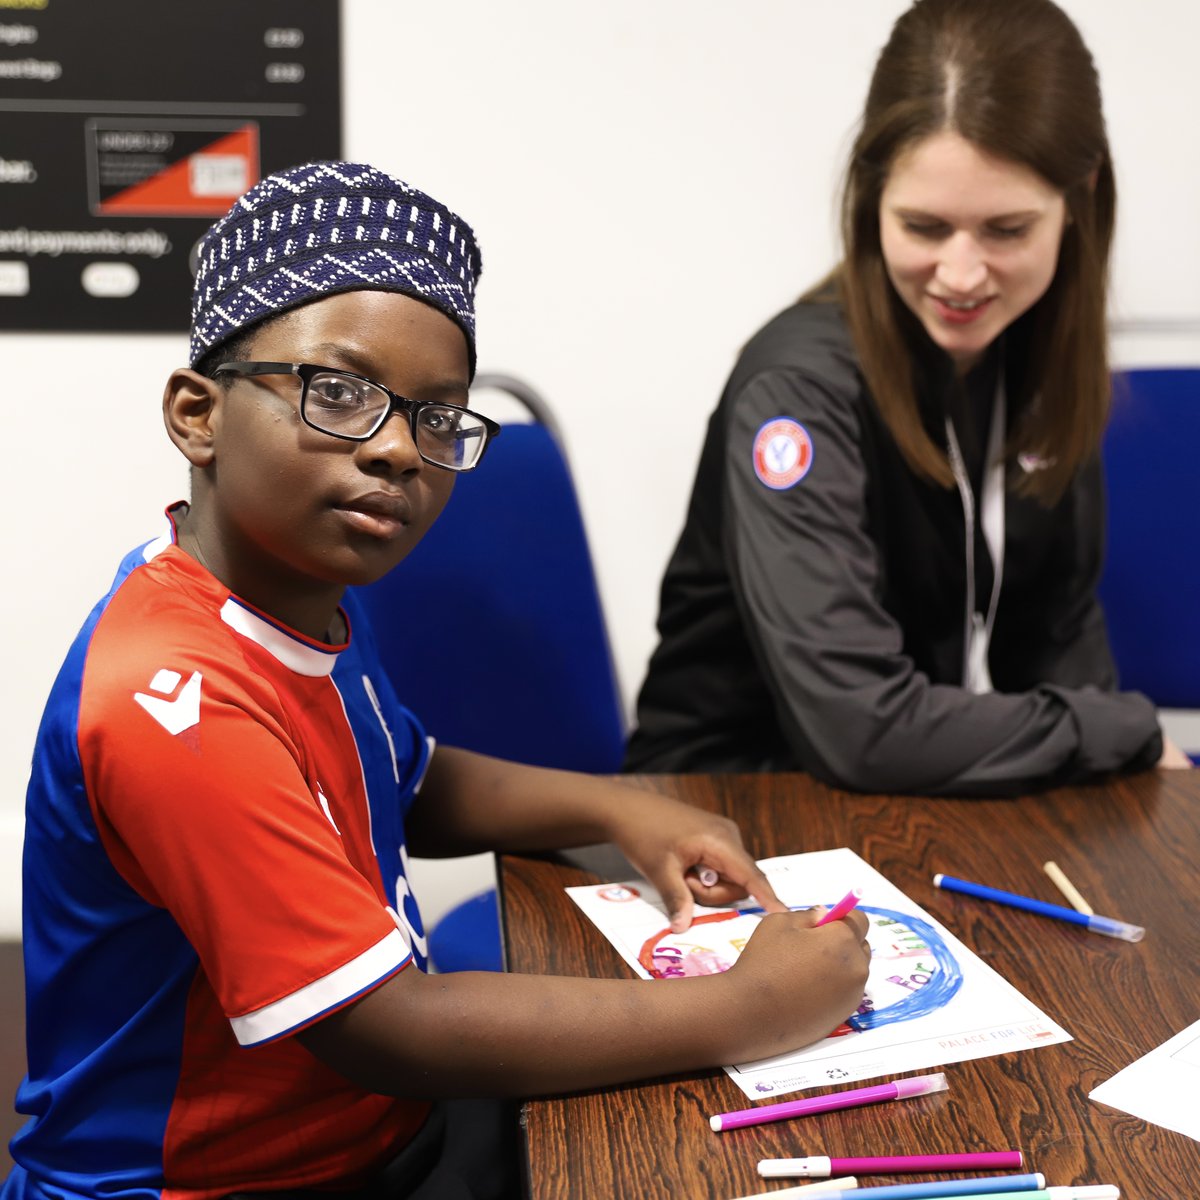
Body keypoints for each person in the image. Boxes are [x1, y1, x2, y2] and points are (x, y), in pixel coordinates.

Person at [5, 162, 870, 1200]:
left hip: (370, 1131)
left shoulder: (293, 599)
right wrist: (752, 1007)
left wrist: (632, 813)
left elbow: (406, 779)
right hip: (219, 1183)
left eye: (436, 419)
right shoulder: (171, 700)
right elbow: (385, 1029)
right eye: (338, 393)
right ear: (198, 413)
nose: (396, 452)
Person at [624, 0, 1188, 794]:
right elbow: (865, 729)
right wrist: (1123, 728)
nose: (961, 275)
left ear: (1081, 196)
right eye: (925, 227)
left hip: (899, 806)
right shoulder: (798, 392)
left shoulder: (1030, 347)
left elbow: (1057, 634)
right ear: (871, 196)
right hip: (732, 806)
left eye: (1006, 230)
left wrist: (1110, 743)